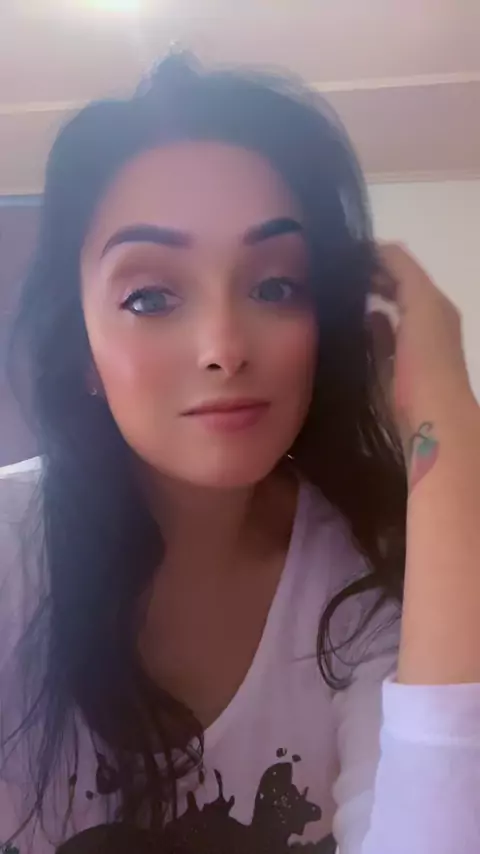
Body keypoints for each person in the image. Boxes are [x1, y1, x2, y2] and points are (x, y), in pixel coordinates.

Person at [0, 54, 479, 854]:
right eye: (151, 296)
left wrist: (450, 420)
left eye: (275, 287)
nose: (224, 347)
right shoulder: (10, 550)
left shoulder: (367, 579)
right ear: (82, 351)